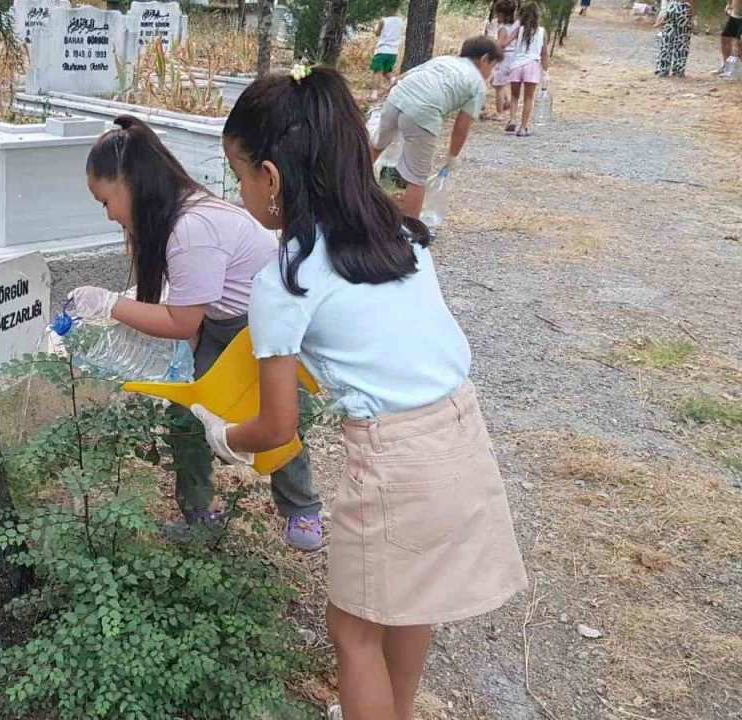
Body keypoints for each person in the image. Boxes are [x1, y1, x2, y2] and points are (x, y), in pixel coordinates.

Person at [198, 63, 528, 720]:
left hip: (394, 461)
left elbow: (278, 427)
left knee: (353, 630)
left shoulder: (285, 281)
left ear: (271, 179)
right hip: (461, 432)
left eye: (238, 176)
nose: (238, 192)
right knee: (411, 601)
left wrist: (221, 434)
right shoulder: (401, 235)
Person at [66, 115, 326, 551]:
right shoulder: (172, 218)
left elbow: (180, 321)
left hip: (260, 328)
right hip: (218, 325)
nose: (108, 214)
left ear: (129, 183)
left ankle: (302, 508)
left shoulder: (191, 229)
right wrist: (182, 363)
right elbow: (188, 315)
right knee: (186, 411)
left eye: (105, 201)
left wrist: (109, 303)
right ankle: (198, 512)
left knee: (276, 413)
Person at [370, 37, 504, 219]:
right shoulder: (477, 84)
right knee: (417, 177)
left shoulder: (443, 60)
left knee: (376, 145)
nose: (492, 72)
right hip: (424, 112)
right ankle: (411, 228)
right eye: (493, 66)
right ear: (485, 59)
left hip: (397, 97)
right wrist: (452, 156)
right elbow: (461, 126)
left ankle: (346, 189)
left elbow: (400, 79)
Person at [503, 2, 549, 137]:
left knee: (514, 95)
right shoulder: (542, 32)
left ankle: (512, 119)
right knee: (528, 98)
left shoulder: (519, 30)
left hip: (517, 65)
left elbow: (505, 43)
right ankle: (523, 128)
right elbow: (544, 53)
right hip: (532, 65)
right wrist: (545, 71)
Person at [485, 0, 520, 121]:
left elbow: (500, 44)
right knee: (497, 81)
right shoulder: (517, 25)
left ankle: (499, 113)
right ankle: (507, 100)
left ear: (502, 14)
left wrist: (490, 46)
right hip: (513, 57)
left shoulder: (503, 29)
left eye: (497, 14)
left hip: (504, 58)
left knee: (498, 85)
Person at [370, 7, 405, 102]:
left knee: (377, 71)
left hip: (382, 50)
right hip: (393, 51)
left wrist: (375, 28)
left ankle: (374, 94)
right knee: (386, 72)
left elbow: (377, 33)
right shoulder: (400, 21)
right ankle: (395, 83)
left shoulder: (383, 21)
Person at [655, 0, 695, 77]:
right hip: (684, 7)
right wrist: (692, 13)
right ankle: (679, 70)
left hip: (672, 6)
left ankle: (662, 68)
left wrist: (664, 10)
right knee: (682, 41)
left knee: (667, 39)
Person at [715, 0, 742, 75]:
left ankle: (735, 69)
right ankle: (726, 66)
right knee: (725, 39)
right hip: (735, 15)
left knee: (739, 43)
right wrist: (729, 4)